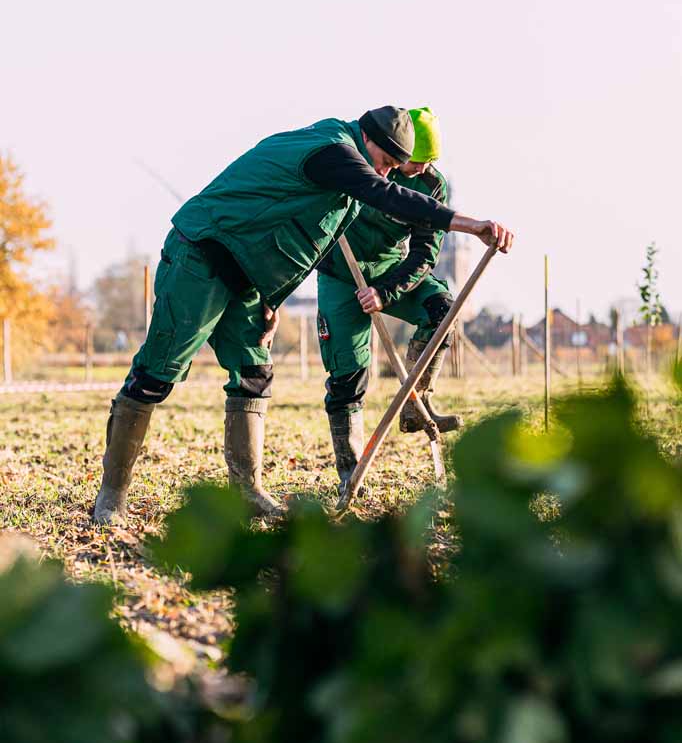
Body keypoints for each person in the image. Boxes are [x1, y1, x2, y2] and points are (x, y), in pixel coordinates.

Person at [93, 106, 513, 523]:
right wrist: (473, 225)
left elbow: (310, 244)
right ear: (369, 140)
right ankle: (111, 497)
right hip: (203, 253)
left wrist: (272, 299)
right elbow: (387, 195)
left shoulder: (347, 175)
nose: (385, 173)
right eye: (385, 163)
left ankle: (248, 493)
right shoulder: (332, 151)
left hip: (247, 274)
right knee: (157, 373)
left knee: (254, 374)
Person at [317, 107, 506, 492]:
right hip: (341, 272)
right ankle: (350, 472)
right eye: (415, 162)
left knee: (441, 309)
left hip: (390, 268)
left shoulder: (433, 185)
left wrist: (386, 292)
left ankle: (415, 405)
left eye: (428, 163)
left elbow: (424, 255)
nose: (421, 169)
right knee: (347, 376)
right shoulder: (362, 163)